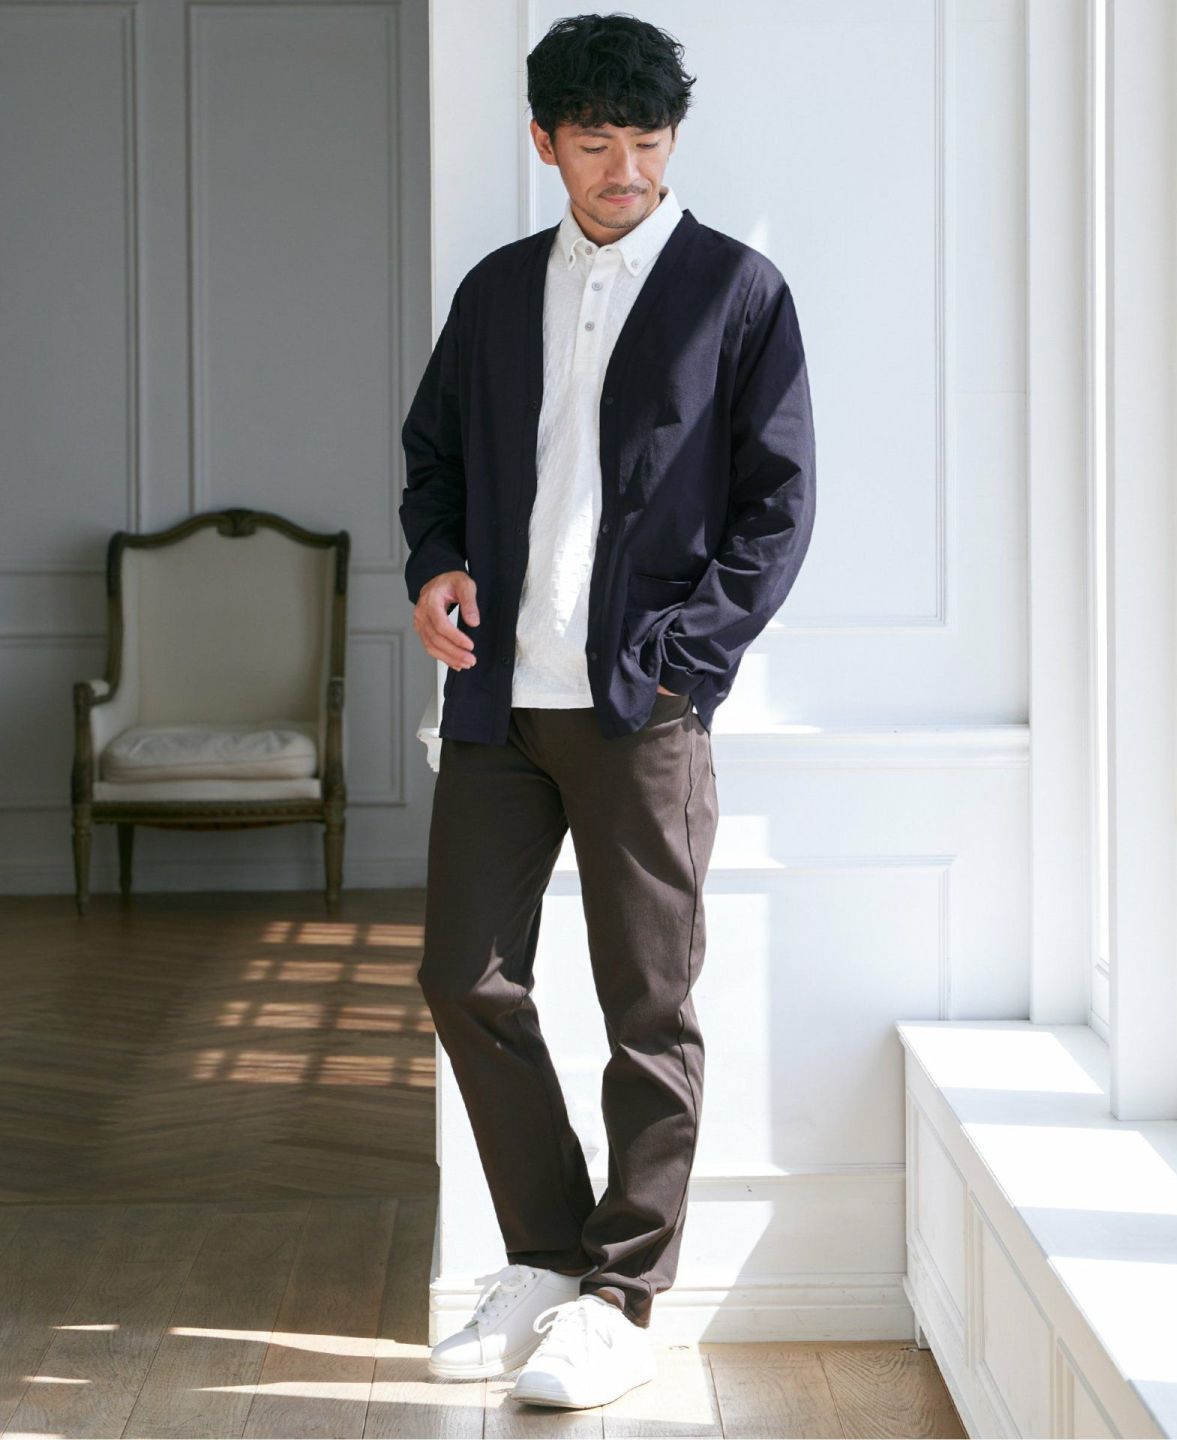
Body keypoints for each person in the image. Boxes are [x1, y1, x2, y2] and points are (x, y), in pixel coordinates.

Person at [399, 10, 816, 1412]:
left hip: (643, 709)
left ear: (672, 139)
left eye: (647, 140)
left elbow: (778, 506)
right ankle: (545, 1257)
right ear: (545, 143)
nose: (625, 169)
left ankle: (623, 1298)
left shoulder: (736, 292)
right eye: (595, 143)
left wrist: (687, 660)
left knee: (649, 1008)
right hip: (498, 700)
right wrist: (435, 565)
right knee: (463, 977)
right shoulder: (496, 290)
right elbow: (434, 456)